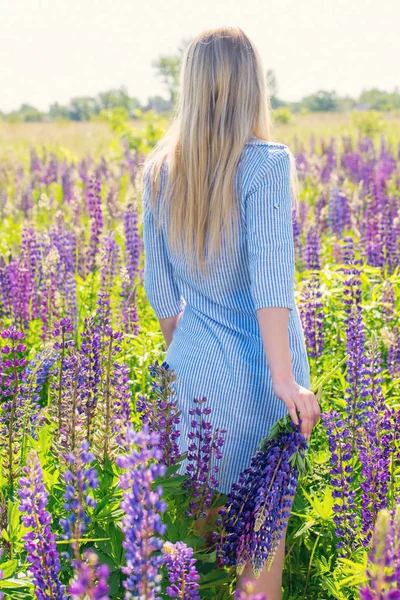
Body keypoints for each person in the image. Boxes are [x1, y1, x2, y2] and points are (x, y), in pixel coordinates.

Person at [141, 25, 320, 599]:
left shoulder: (161, 170)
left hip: (191, 375)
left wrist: (187, 355)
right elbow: (272, 280)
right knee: (258, 554)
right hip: (259, 379)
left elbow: (162, 291)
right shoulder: (266, 163)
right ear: (251, 86)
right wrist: (283, 377)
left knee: (204, 567)